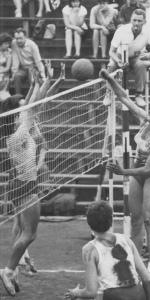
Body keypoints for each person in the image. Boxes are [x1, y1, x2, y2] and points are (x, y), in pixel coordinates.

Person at [99, 68, 150, 281]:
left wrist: (122, 171)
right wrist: (109, 79)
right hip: (137, 171)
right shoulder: (145, 120)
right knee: (135, 219)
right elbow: (124, 97)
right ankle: (134, 261)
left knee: (148, 219)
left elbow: (147, 169)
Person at [0, 61, 65, 296]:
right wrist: (40, 81)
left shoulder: (17, 131)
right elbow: (33, 105)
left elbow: (32, 104)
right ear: (16, 115)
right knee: (29, 234)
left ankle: (15, 268)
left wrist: (41, 81)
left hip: (19, 184)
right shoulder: (18, 133)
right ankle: (8, 270)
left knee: (22, 230)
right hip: (25, 186)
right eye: (21, 109)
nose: (25, 108)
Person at [65, 201, 150, 300]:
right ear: (111, 221)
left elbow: (91, 292)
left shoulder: (89, 249)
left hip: (115, 296)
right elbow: (147, 279)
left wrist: (75, 293)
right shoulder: (126, 240)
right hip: (138, 293)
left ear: (89, 223)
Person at [107, 9, 150, 107]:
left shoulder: (148, 32)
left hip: (136, 56)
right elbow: (111, 52)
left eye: (139, 21)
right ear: (130, 20)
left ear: (145, 22)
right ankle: (108, 92)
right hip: (119, 55)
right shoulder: (121, 30)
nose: (136, 23)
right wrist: (118, 61)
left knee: (140, 65)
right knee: (111, 65)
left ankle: (139, 95)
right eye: (134, 20)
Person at [11, 27, 46, 95]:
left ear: (25, 37)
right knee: (16, 76)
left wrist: (42, 74)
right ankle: (18, 97)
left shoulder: (32, 45)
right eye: (17, 38)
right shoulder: (14, 43)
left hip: (33, 67)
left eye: (21, 38)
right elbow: (15, 60)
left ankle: (33, 98)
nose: (18, 41)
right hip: (22, 68)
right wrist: (13, 74)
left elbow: (38, 60)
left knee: (32, 78)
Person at [0, 33, 13, 101]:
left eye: (8, 43)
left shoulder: (9, 52)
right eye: (5, 43)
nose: (8, 45)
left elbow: (7, 68)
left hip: (4, 73)